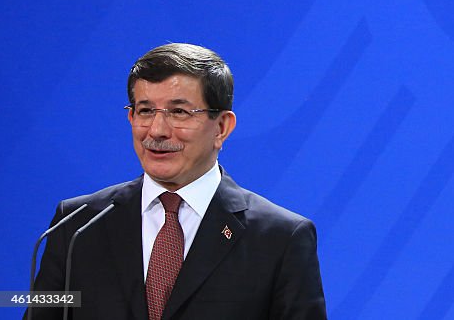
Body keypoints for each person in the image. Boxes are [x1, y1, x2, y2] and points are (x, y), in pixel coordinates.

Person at [29, 43, 327, 320]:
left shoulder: (281, 238)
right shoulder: (77, 225)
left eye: (179, 112)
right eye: (145, 111)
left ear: (222, 127)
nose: (156, 130)